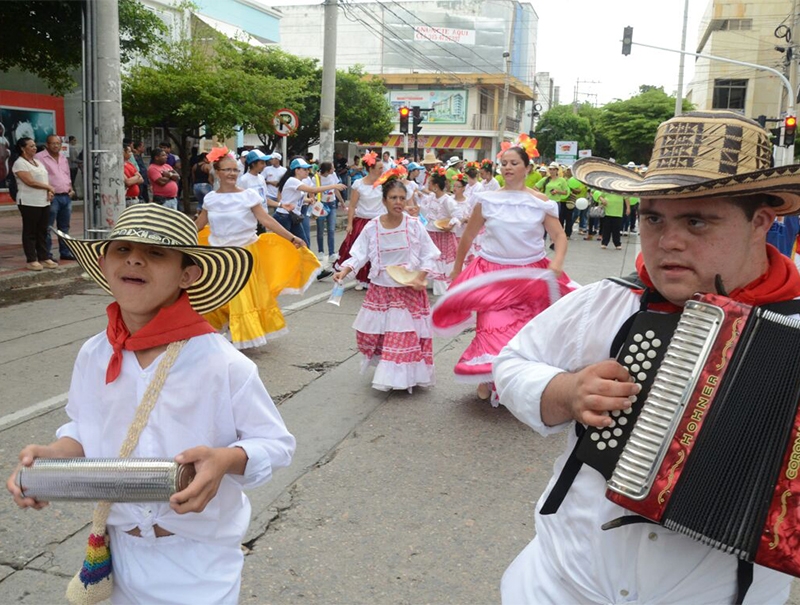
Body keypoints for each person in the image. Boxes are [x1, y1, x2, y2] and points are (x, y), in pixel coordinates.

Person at [494, 110, 800, 604]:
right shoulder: (607, 299)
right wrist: (566, 392)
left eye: (696, 221)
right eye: (654, 218)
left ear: (760, 222)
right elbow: (512, 363)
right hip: (560, 581)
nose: (667, 242)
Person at [7, 203, 295, 604]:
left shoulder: (222, 363)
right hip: (120, 555)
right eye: (122, 249)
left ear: (187, 275)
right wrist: (53, 456)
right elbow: (84, 429)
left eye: (156, 253)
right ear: (105, 264)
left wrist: (225, 459)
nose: (135, 259)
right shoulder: (94, 354)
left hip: (199, 562)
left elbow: (276, 444)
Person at [432, 141, 576, 404]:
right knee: (490, 326)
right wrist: (457, 268)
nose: (508, 168)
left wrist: (557, 261)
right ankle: (488, 375)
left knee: (523, 332)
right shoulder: (488, 200)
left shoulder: (540, 202)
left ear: (527, 168)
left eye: (514, 163)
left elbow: (559, 236)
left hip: (530, 276)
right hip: (492, 273)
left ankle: (518, 381)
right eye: (504, 163)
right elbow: (468, 236)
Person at [196, 149, 320, 349]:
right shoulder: (210, 198)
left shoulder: (248, 196)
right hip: (218, 257)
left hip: (243, 255)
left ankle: (241, 334)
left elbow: (266, 220)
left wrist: (292, 237)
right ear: (217, 172)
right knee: (219, 296)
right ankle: (228, 328)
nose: (232, 174)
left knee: (239, 296)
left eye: (235, 170)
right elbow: (199, 224)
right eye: (227, 170)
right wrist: (175, 236)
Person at [333, 175, 440, 392]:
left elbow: (429, 253)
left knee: (400, 336)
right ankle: (394, 371)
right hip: (381, 290)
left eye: (401, 197)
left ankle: (397, 379)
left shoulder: (414, 225)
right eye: (393, 198)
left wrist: (420, 277)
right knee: (371, 335)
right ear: (384, 200)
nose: (398, 202)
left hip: (407, 291)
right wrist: (344, 271)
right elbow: (359, 253)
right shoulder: (373, 227)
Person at [335, 150, 386, 291]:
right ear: (371, 169)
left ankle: (374, 279)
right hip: (362, 221)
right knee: (361, 250)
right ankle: (360, 278)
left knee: (377, 251)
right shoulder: (359, 184)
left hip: (380, 222)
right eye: (380, 168)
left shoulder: (384, 183)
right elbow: (352, 205)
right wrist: (350, 223)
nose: (382, 170)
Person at [276, 157, 345, 247]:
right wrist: (334, 186)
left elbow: (296, 199)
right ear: (297, 170)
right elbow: (313, 189)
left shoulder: (298, 181)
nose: (307, 171)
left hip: (293, 216)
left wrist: (309, 200)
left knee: (303, 244)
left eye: (308, 169)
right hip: (284, 216)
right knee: (286, 245)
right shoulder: (293, 180)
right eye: (304, 169)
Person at [13, 137, 58, 271]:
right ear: (23, 148)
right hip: (28, 201)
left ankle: (44, 257)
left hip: (43, 201)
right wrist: (48, 187)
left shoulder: (38, 162)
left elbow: (44, 179)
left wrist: (49, 191)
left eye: (34, 145)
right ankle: (31, 259)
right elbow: (30, 182)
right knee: (30, 231)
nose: (34, 148)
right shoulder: (20, 163)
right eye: (31, 146)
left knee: (42, 230)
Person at [419, 166, 463, 295]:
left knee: (442, 259)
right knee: (431, 257)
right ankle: (430, 283)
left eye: (430, 183)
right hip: (431, 232)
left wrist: (451, 225)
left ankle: (442, 287)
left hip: (443, 234)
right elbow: (424, 209)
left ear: (436, 186)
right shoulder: (431, 197)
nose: (428, 185)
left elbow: (458, 215)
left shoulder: (447, 200)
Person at [35, 134, 76, 261]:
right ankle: (46, 254)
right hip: (51, 197)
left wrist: (71, 188)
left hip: (66, 196)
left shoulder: (63, 158)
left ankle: (65, 252)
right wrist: (46, 190)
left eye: (58, 143)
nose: (56, 146)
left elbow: (67, 174)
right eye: (53, 143)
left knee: (64, 227)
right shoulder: (39, 157)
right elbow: (37, 177)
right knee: (47, 227)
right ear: (47, 145)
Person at [314, 161, 344, 265]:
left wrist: (342, 201)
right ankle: (321, 251)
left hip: (332, 204)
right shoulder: (317, 178)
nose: (334, 169)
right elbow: (314, 190)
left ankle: (331, 253)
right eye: (332, 168)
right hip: (322, 204)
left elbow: (336, 189)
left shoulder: (333, 175)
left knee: (331, 229)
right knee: (320, 229)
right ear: (327, 170)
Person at [537, 162, 572, 238]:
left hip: (556, 203)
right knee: (544, 220)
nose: (552, 171)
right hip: (546, 202)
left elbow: (566, 192)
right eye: (550, 169)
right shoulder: (545, 179)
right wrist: (541, 195)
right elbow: (535, 187)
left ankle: (554, 238)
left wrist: (557, 191)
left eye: (553, 169)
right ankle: (543, 237)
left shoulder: (562, 180)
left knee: (554, 221)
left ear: (557, 170)